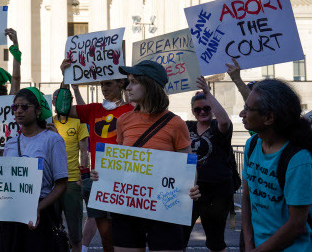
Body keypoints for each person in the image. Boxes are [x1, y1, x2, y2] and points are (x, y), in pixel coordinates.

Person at [110, 60, 197, 251]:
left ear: (149, 85)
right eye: (128, 81)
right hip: (128, 203)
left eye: (133, 81)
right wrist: (102, 176)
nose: (127, 87)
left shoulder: (176, 123)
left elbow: (187, 167)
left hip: (165, 206)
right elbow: (118, 164)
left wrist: (191, 187)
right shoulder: (123, 120)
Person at [59, 58, 133, 252]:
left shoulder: (133, 110)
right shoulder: (93, 109)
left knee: (124, 236)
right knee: (106, 238)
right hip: (98, 180)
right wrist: (65, 78)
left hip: (124, 181)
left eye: (108, 83)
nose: (103, 88)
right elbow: (62, 108)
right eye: (101, 84)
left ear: (121, 83)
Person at [241, 79, 312, 251]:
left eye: (249, 109)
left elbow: (297, 224)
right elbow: (247, 196)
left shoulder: (299, 160)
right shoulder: (252, 145)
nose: (242, 113)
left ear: (269, 118)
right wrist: (248, 243)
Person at [0, 87, 68, 251]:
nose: (19, 111)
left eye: (24, 107)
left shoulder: (53, 140)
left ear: (38, 111)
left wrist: (37, 209)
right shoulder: (10, 144)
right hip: (12, 214)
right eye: (15, 107)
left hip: (41, 214)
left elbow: (62, 184)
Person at [183, 77, 234, 252]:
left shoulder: (216, 126)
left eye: (207, 108)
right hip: (190, 190)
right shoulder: (187, 127)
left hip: (217, 192)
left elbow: (224, 121)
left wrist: (207, 93)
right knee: (179, 237)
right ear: (193, 111)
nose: (203, 112)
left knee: (215, 241)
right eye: (198, 109)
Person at [53, 85, 89, 252]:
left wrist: (83, 175)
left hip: (73, 182)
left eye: (59, 100)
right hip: (52, 183)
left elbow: (84, 150)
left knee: (75, 234)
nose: (57, 102)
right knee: (53, 230)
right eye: (54, 100)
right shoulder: (48, 123)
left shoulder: (78, 122)